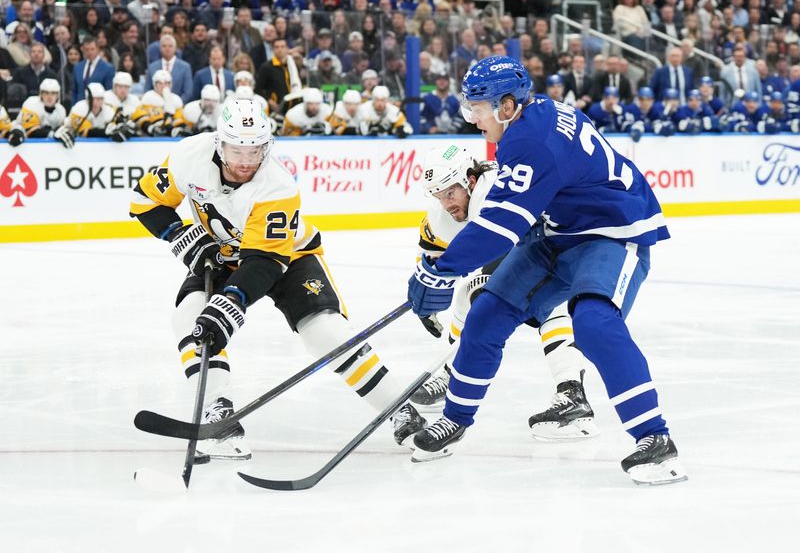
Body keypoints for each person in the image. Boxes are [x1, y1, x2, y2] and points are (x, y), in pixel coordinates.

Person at [406, 56, 687, 486]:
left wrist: (438, 271)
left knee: (593, 323)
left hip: (612, 232)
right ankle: (455, 419)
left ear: (505, 107)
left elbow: (499, 227)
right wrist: (443, 270)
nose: (472, 119)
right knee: (486, 314)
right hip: (559, 232)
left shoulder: (530, 141)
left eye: (476, 110)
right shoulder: (530, 121)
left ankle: (655, 439)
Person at [128, 98, 426, 459]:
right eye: (236, 150)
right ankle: (217, 410)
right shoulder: (189, 156)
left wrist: (231, 302)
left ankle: (398, 407)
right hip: (223, 253)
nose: (244, 161)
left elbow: (265, 261)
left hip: (287, 256)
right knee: (189, 319)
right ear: (219, 143)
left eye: (254, 152)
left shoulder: (278, 186)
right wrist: (181, 235)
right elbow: (145, 201)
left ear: (267, 148)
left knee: (325, 332)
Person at [409, 144, 600, 441]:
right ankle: (451, 373)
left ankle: (572, 395)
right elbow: (431, 254)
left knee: (552, 306)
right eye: (439, 195)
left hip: (563, 245)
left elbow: (504, 250)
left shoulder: (497, 190)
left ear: (470, 181)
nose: (446, 203)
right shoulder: (441, 215)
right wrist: (427, 294)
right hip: (531, 251)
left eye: (450, 193)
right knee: (468, 294)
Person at [7, 78, 73, 148]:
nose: (49, 97)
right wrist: (52, 133)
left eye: (53, 93)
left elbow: (60, 131)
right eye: (46, 93)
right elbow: (31, 132)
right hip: (23, 141)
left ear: (58, 95)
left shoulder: (61, 110)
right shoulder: (31, 104)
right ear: (41, 94)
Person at [131, 69, 184, 136]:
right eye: (160, 83)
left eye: (166, 83)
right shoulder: (148, 97)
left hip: (171, 136)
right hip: (150, 136)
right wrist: (151, 128)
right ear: (154, 84)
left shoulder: (176, 99)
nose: (163, 86)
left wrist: (182, 128)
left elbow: (178, 119)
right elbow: (142, 119)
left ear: (171, 84)